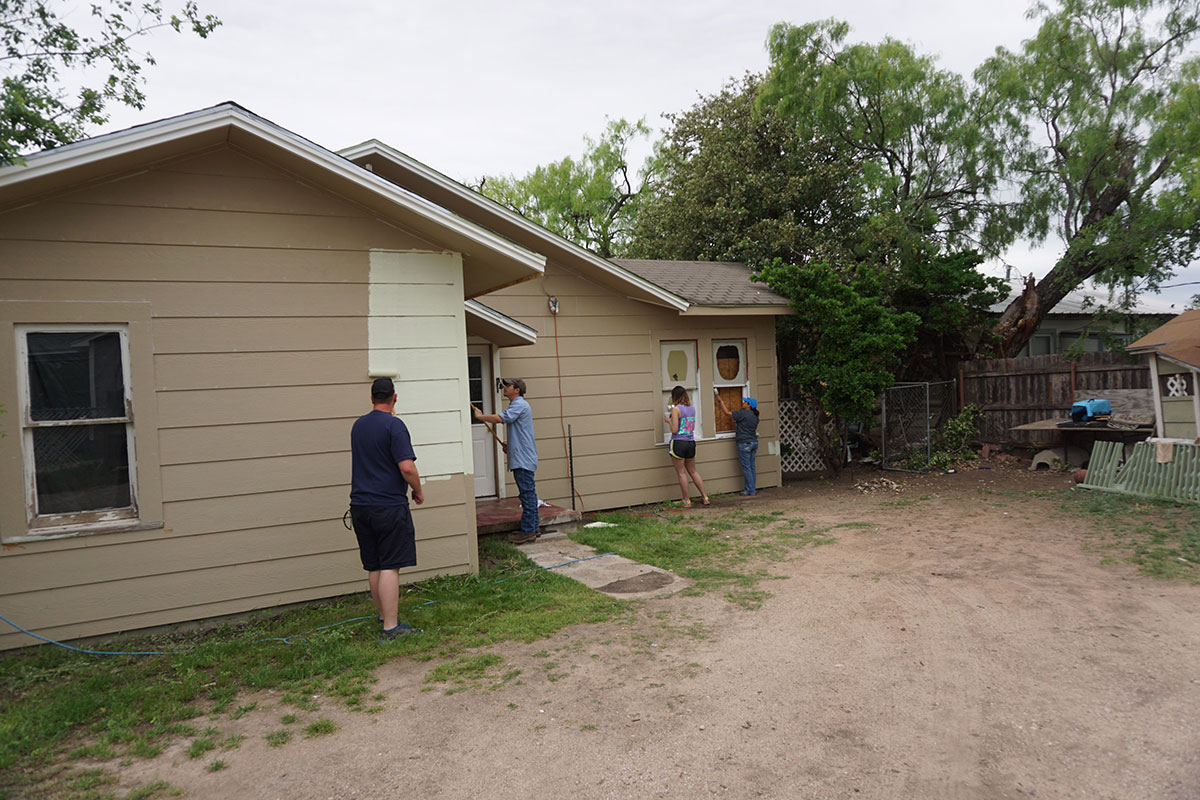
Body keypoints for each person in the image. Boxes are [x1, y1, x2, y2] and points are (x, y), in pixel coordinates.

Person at [349, 377, 424, 642]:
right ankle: (391, 629)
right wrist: (417, 490)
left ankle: (383, 616)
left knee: (375, 565)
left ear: (372, 398)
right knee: (391, 565)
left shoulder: (358, 426)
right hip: (388, 506)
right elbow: (407, 467)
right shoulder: (395, 426)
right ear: (395, 398)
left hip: (360, 506)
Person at [472, 378, 540, 543]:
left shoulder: (519, 404)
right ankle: (533, 527)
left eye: (508, 385)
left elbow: (501, 418)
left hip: (523, 459)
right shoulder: (518, 405)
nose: (504, 387)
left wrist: (480, 417)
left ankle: (529, 531)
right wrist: (510, 446)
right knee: (528, 494)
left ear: (517, 390)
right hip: (522, 456)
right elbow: (519, 430)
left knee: (527, 495)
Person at [665, 385, 709, 507]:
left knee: (681, 472)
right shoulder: (692, 408)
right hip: (690, 442)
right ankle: (705, 497)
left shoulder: (676, 409)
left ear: (675, 396)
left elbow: (674, 430)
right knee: (693, 471)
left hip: (679, 442)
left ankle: (686, 500)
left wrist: (668, 421)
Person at [715, 389, 760, 495]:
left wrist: (720, 401)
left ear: (749, 405)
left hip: (744, 443)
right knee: (751, 467)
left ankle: (750, 490)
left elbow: (727, 413)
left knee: (747, 467)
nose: (743, 403)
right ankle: (751, 489)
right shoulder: (755, 416)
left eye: (745, 402)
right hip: (753, 442)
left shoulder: (743, 414)